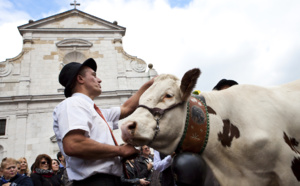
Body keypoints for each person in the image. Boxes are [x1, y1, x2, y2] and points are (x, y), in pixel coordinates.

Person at [53, 58, 154, 185]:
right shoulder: (72, 104)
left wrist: (150, 85)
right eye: (94, 75)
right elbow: (73, 144)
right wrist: (120, 151)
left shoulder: (95, 111)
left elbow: (126, 108)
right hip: (94, 182)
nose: (99, 79)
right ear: (80, 79)